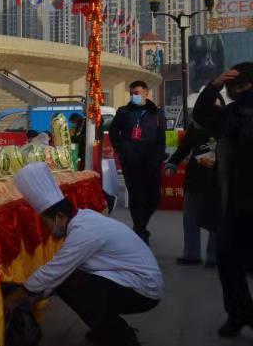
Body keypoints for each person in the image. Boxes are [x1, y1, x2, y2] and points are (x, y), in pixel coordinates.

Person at [4, 163, 162, 346]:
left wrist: (16, 296)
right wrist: (35, 295)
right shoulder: (82, 219)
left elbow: (56, 270)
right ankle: (106, 328)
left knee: (72, 283)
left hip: (143, 290)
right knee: (69, 281)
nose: (47, 230)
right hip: (130, 281)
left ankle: (122, 337)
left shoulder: (84, 231)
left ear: (60, 218)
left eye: (46, 223)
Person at [193, 63, 253, 338]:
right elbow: (202, 114)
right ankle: (239, 314)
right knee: (228, 262)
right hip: (233, 204)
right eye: (228, 85)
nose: (231, 90)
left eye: (234, 84)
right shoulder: (231, 114)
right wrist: (214, 85)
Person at [108, 81, 166, 244]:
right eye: (132, 93)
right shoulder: (124, 112)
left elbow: (161, 136)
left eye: (138, 93)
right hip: (131, 160)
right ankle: (140, 230)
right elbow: (113, 132)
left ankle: (141, 225)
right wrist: (121, 148)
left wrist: (160, 156)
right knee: (136, 195)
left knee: (154, 196)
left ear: (146, 93)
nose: (135, 96)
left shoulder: (157, 113)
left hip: (151, 160)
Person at [164, 110, 221, 268]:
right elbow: (184, 148)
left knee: (209, 219)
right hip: (200, 179)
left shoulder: (222, 124)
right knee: (195, 218)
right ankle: (198, 254)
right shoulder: (198, 126)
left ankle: (208, 255)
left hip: (212, 180)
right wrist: (173, 163)